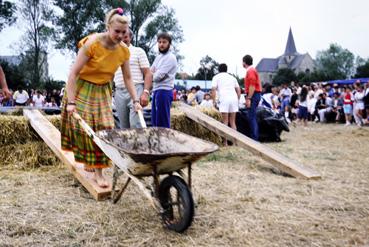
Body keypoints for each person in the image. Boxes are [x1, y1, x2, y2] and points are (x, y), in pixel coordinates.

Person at [61, 8, 142, 188]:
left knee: (105, 128)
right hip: (82, 87)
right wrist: (71, 102)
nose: (121, 35)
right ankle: (90, 162)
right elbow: (73, 74)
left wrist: (136, 100)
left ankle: (99, 172)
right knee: (85, 129)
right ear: (108, 27)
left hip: (103, 90)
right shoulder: (92, 44)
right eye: (117, 31)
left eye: (124, 32)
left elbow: (128, 78)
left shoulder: (123, 51)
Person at [114, 28, 152, 129]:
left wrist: (146, 92)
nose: (123, 39)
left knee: (136, 123)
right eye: (121, 37)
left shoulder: (138, 51)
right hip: (119, 91)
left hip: (136, 89)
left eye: (126, 37)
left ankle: (140, 144)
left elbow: (148, 73)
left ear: (130, 37)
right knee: (123, 127)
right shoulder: (113, 53)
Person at [150, 32, 177, 128]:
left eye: (164, 42)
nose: (161, 44)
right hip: (156, 90)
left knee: (162, 123)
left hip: (164, 91)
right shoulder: (158, 57)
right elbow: (150, 72)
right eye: (159, 42)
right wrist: (154, 74)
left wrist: (154, 74)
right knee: (155, 122)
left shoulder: (171, 58)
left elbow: (157, 76)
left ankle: (166, 142)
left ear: (169, 44)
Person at [211, 63, 240, 142]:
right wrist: (237, 99)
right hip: (233, 98)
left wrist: (213, 102)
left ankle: (225, 142)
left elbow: (213, 90)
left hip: (224, 98)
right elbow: (238, 90)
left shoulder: (216, 77)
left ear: (219, 70)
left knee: (225, 122)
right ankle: (235, 142)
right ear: (226, 69)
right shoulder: (232, 77)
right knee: (233, 122)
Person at [242, 54, 262, 141]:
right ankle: (254, 137)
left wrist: (248, 98)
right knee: (252, 116)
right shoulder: (252, 70)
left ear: (244, 62)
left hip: (253, 95)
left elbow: (252, 86)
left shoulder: (250, 71)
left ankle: (254, 138)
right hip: (254, 95)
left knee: (251, 117)